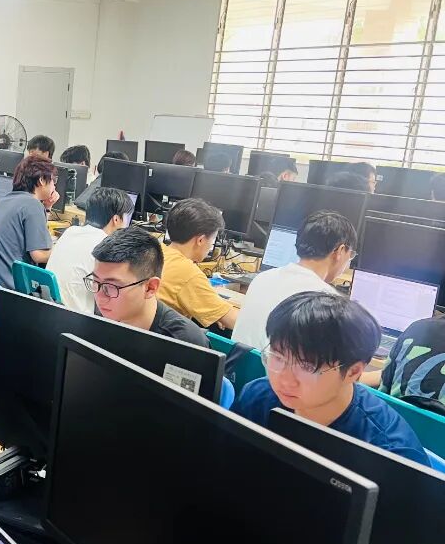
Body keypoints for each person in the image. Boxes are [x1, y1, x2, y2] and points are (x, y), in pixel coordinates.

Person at [233, 291, 428, 466]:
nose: (285, 380)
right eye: (278, 357)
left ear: (353, 372)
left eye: (307, 367)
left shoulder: (390, 454)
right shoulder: (258, 397)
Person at [232, 211, 357, 350]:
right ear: (340, 251)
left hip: (237, 362)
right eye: (350, 254)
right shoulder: (327, 301)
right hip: (269, 364)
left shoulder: (262, 278)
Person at [89, 227, 209, 346]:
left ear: (150, 287)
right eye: (95, 281)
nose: (100, 298)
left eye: (111, 286)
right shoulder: (102, 317)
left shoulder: (185, 343)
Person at [47, 187, 133, 315]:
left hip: (51, 309)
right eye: (126, 218)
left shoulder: (71, 231)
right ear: (116, 220)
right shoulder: (107, 246)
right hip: (78, 318)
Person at [157, 198, 239, 330]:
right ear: (200, 240)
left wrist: (216, 308)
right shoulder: (188, 273)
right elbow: (234, 321)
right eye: (213, 240)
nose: (211, 245)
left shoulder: (157, 251)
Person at [0, 154, 56, 289]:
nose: (54, 186)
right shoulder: (33, 205)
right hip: (14, 286)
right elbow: (39, 255)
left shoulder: (5, 200)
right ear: (41, 180)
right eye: (52, 181)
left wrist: (47, 207)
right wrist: (62, 250)